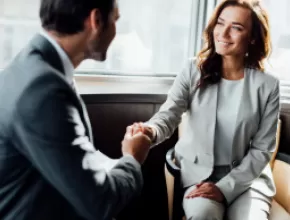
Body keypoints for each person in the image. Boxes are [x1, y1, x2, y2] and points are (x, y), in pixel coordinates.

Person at [0, 0, 152, 219]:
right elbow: (100, 202)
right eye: (115, 20)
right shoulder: (44, 91)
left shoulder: (30, 66)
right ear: (96, 20)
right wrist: (132, 158)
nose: (116, 32)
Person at [129, 0, 280, 219]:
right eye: (220, 23)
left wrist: (225, 188)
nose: (223, 33)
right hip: (200, 176)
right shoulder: (193, 70)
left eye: (236, 27)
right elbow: (169, 114)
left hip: (249, 179)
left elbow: (263, 149)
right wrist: (149, 131)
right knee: (202, 215)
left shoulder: (268, 85)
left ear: (253, 37)